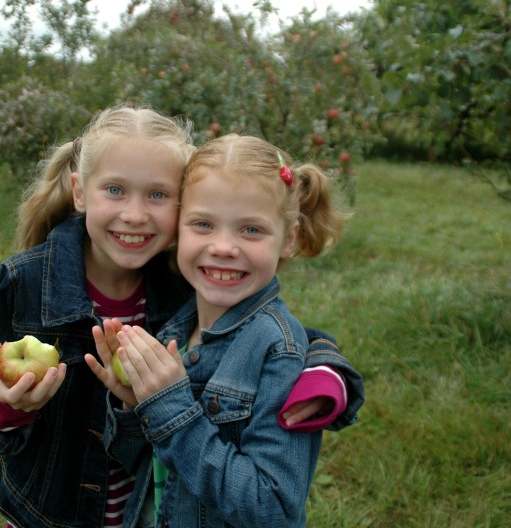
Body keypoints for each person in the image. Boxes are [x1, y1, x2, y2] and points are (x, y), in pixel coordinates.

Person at [0, 107, 364, 528]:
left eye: (157, 195)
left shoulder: (180, 290)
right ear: (80, 191)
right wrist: (9, 407)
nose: (134, 214)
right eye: (115, 189)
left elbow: (268, 335)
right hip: (49, 512)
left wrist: (326, 368)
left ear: (178, 208)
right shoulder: (27, 282)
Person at [87, 134, 349, 527]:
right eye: (203, 224)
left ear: (289, 239)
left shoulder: (278, 351)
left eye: (251, 230)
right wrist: (132, 406)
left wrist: (168, 406)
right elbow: (140, 464)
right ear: (178, 227)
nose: (224, 246)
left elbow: (272, 509)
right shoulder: (176, 325)